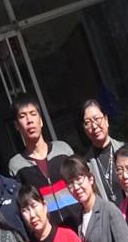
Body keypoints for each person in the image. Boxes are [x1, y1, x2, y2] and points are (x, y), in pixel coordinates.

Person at [8, 94, 81, 230]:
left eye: (33, 114)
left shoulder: (63, 149)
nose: (29, 120)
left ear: (41, 120)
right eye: (23, 116)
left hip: (80, 224)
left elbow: (82, 183)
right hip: (49, 234)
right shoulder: (16, 165)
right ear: (17, 126)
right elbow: (22, 204)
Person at [81, 98, 126, 204]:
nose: (94, 126)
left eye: (97, 119)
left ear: (106, 120)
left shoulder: (124, 150)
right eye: (88, 122)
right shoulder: (86, 164)